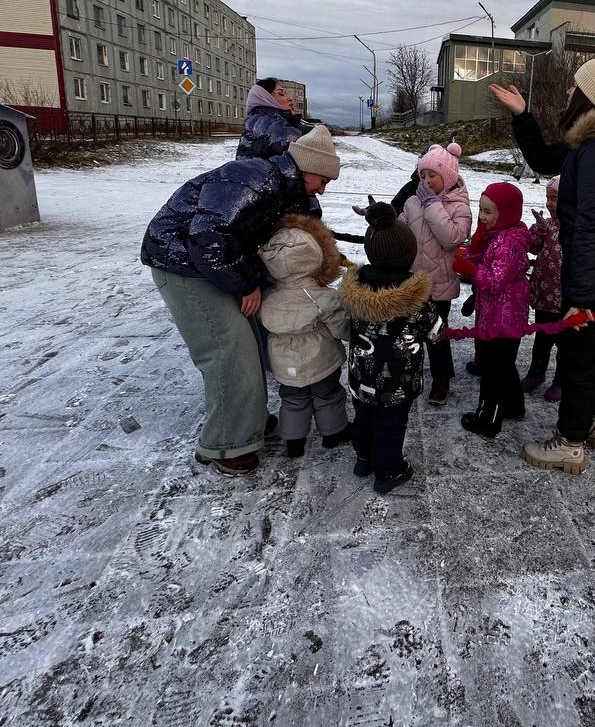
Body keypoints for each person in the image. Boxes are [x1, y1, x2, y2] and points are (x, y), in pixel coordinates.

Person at [142, 125, 343, 476]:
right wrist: (247, 283)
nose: (323, 191)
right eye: (323, 181)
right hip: (182, 263)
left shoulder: (281, 187)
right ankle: (226, 445)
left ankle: (244, 420)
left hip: (210, 262)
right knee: (228, 347)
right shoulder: (254, 177)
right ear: (308, 168)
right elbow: (208, 234)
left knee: (250, 338)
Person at [489, 55, 595, 475]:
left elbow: (594, 228)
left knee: (580, 354)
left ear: (591, 95)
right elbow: (543, 159)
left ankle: (570, 442)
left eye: (574, 86)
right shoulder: (592, 142)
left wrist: (578, 298)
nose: (567, 92)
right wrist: (524, 116)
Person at [338, 202, 442, 494]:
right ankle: (388, 471)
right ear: (408, 255)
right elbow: (434, 331)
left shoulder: (356, 289)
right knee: (390, 425)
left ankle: (364, 459)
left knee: (363, 417)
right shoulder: (415, 296)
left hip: (362, 376)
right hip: (398, 380)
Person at [257, 214, 350, 458]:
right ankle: (333, 433)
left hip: (284, 363)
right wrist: (351, 335)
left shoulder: (267, 297)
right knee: (327, 395)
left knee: (292, 399)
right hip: (321, 360)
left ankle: (294, 441)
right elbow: (340, 326)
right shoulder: (323, 297)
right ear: (316, 256)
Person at [452, 182, 531, 437]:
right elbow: (483, 263)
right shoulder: (496, 234)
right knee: (503, 365)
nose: (482, 216)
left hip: (504, 316)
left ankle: (488, 420)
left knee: (494, 373)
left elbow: (495, 281)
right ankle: (514, 406)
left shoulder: (508, 243)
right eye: (481, 209)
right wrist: (475, 248)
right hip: (495, 313)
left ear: (506, 213)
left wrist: (471, 270)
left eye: (488, 212)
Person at [401, 143, 472, 406]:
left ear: (449, 176)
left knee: (437, 335)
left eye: (433, 175)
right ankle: (410, 371)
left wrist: (432, 205)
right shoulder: (412, 202)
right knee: (409, 332)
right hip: (413, 281)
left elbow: (453, 239)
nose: (427, 181)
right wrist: (383, 221)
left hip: (440, 284)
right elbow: (400, 232)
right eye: (423, 176)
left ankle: (442, 378)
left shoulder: (459, 206)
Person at [524, 176, 563, 401]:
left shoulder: (577, 228)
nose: (549, 203)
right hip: (544, 295)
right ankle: (536, 373)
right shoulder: (547, 225)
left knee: (564, 344)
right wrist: (538, 229)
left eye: (555, 198)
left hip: (565, 298)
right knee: (542, 339)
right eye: (548, 198)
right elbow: (532, 247)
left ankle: (560, 380)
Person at [238, 77, 304, 161]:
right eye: (281, 94)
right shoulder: (270, 124)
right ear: (266, 98)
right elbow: (305, 148)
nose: (290, 98)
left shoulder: (255, 121)